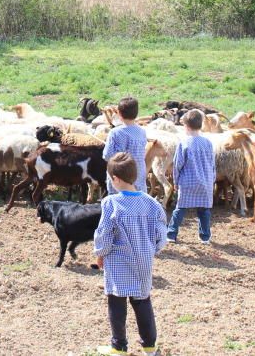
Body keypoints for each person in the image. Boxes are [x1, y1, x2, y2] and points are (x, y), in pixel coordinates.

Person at [94, 152, 166, 356]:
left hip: (118, 263)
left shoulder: (111, 203)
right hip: (143, 261)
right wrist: (152, 249)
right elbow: (161, 233)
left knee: (116, 302)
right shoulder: (151, 203)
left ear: (115, 179)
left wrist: (100, 254)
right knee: (142, 301)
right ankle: (150, 348)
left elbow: (104, 233)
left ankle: (118, 347)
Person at [166, 109, 215, 244]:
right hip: (205, 182)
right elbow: (212, 164)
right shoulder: (208, 143)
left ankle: (171, 234)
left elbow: (178, 164)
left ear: (186, 126)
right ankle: (205, 237)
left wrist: (175, 181)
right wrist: (212, 180)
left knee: (180, 208)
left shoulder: (184, 143)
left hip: (188, 182)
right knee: (204, 211)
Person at [102, 97, 148, 195]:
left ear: (119, 113)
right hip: (138, 175)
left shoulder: (115, 132)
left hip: (120, 178)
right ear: (136, 113)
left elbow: (107, 155)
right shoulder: (142, 132)